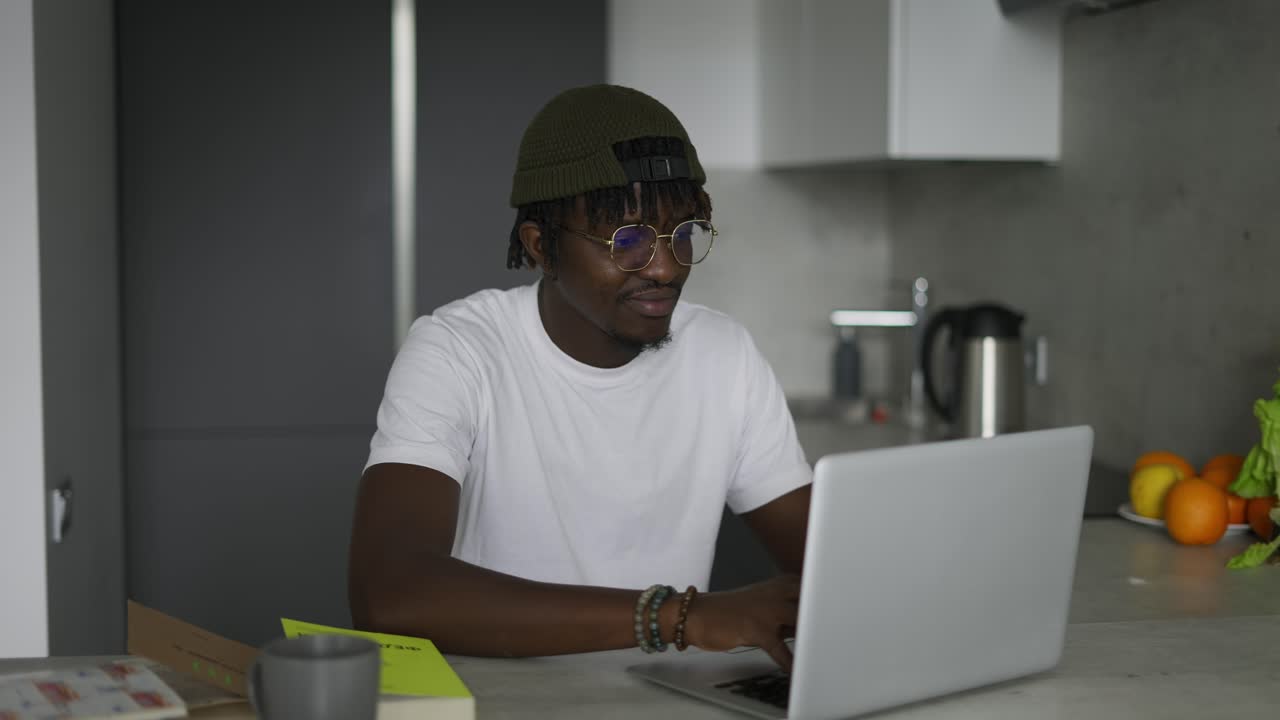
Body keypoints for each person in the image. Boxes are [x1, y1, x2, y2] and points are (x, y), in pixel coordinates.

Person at [348, 84, 812, 669]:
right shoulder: (457, 351)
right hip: (503, 706)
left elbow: (827, 564)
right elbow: (390, 594)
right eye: (628, 240)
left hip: (662, 703)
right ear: (542, 247)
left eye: (683, 234)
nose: (667, 267)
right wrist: (677, 618)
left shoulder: (725, 354)